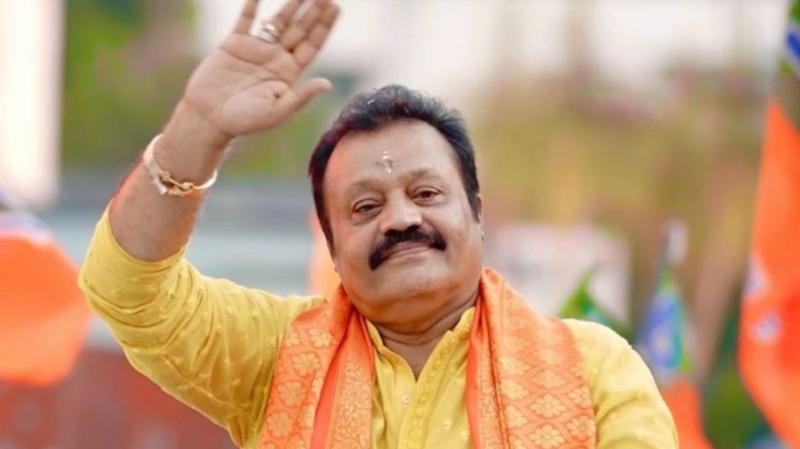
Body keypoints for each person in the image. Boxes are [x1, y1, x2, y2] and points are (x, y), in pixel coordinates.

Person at [78, 0, 678, 447]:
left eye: (426, 193)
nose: (401, 218)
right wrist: (199, 127)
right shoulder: (277, 355)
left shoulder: (591, 368)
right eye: (365, 207)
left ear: (476, 215)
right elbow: (128, 291)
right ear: (334, 250)